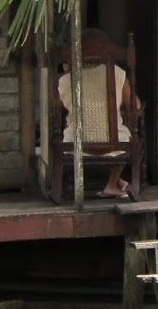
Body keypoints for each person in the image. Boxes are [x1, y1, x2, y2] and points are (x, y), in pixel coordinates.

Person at [56, 31, 139, 199]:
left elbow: (57, 109)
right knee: (124, 137)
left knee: (77, 131)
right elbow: (135, 106)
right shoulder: (118, 74)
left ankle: (113, 184)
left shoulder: (65, 81)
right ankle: (113, 182)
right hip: (114, 143)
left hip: (74, 143)